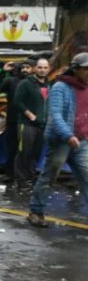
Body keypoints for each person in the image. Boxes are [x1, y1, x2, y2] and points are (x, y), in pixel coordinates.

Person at [27, 53, 88, 227]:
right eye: (85, 69)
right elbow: (55, 116)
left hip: (82, 140)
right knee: (50, 175)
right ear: (75, 70)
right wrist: (68, 135)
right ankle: (36, 211)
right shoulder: (61, 87)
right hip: (61, 141)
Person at [12, 59, 48, 188]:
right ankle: (20, 180)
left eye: (45, 68)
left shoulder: (49, 85)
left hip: (42, 124)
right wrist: (29, 114)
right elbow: (17, 102)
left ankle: (30, 177)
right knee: (24, 151)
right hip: (26, 123)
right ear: (35, 69)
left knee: (35, 152)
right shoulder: (25, 84)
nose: (42, 70)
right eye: (40, 67)